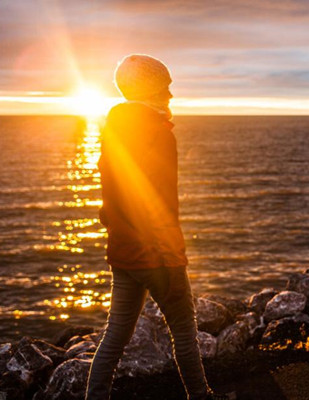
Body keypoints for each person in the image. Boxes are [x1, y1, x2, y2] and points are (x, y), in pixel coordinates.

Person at [85, 54, 233, 400]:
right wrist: (170, 257)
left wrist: (117, 228)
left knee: (115, 336)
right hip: (156, 254)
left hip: (122, 252)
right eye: (165, 88)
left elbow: (111, 197)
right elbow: (161, 204)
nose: (170, 96)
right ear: (150, 92)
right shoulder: (159, 134)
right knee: (183, 331)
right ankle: (200, 396)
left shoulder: (111, 131)